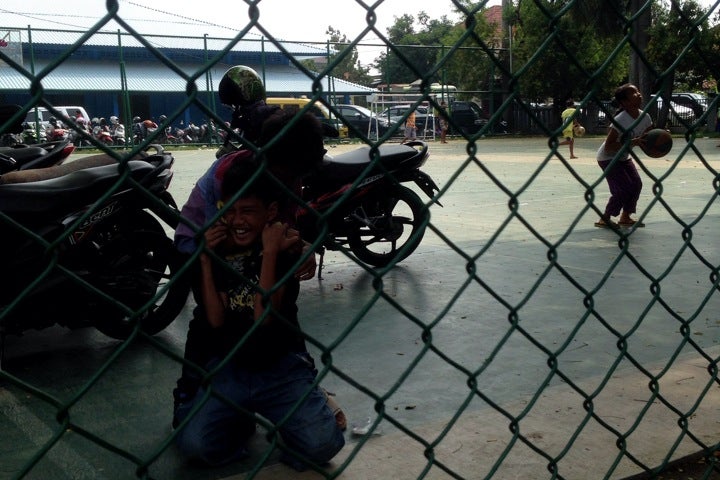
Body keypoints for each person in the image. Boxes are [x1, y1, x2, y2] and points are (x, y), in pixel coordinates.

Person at [172, 66, 346, 432]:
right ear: (270, 158)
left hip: (250, 244)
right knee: (211, 317)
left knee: (282, 303)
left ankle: (299, 378)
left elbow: (286, 224)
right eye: (288, 173)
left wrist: (299, 246)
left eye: (298, 175)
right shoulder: (231, 175)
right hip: (201, 242)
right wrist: (271, 247)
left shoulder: (289, 176)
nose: (293, 181)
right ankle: (191, 390)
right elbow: (229, 231)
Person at [175, 159, 345, 469]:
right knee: (196, 447)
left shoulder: (286, 247)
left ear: (270, 212)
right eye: (230, 210)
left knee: (323, 445)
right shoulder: (217, 247)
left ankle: (293, 414)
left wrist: (269, 253)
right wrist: (205, 259)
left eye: (248, 211)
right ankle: (240, 421)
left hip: (279, 366)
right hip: (228, 367)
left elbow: (263, 318)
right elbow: (215, 319)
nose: (237, 220)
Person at [594, 84, 653, 229]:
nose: (639, 94)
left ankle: (625, 217)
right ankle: (605, 218)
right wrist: (632, 142)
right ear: (624, 102)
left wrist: (661, 137)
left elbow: (650, 137)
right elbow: (609, 146)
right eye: (634, 93)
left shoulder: (645, 117)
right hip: (608, 158)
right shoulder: (620, 120)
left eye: (638, 91)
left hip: (623, 157)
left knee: (636, 184)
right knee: (622, 189)